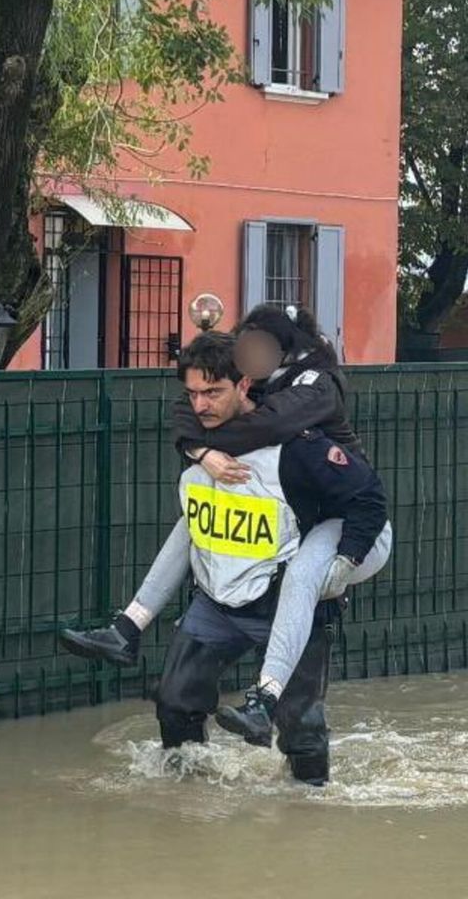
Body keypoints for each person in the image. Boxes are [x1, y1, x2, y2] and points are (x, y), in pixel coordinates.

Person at [60, 332, 393, 784]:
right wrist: (200, 450)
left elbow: (368, 497)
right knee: (174, 704)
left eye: (213, 392)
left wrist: (342, 565)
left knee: (300, 731)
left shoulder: (300, 447)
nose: (201, 405)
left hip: (287, 603)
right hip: (217, 600)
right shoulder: (195, 436)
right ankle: (187, 803)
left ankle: (309, 809)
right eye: (193, 394)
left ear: (244, 385)